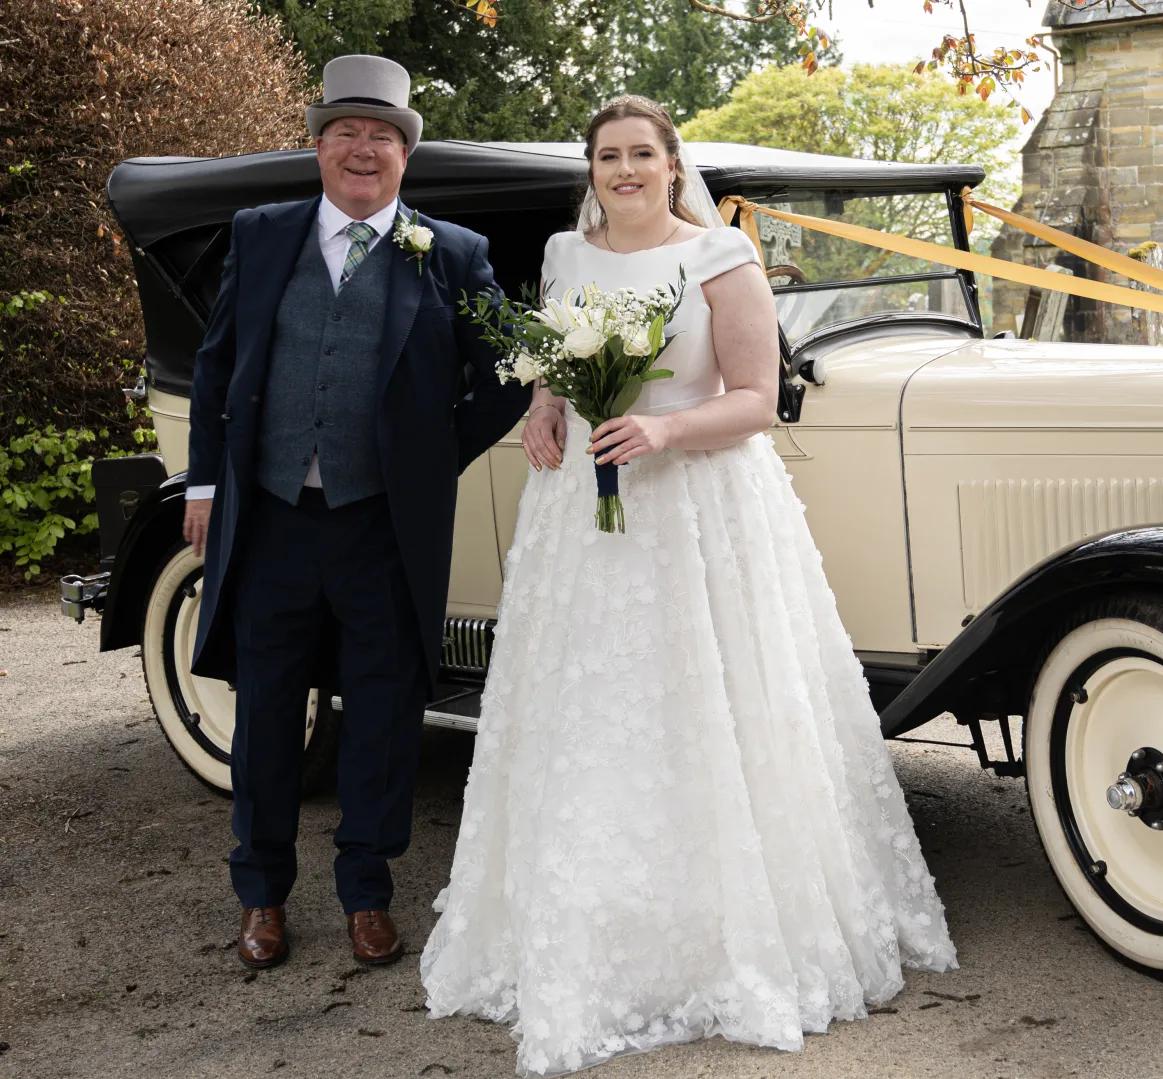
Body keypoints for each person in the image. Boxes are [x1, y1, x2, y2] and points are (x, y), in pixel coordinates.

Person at [419, 96, 956, 1075]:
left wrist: (662, 429)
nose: (625, 170)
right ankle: (589, 928)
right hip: (583, 511)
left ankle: (729, 930)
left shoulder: (721, 259)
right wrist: (544, 406)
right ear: (592, 169)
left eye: (642, 154)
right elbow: (554, 356)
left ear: (673, 165)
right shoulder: (564, 253)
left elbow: (754, 398)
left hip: (700, 512)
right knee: (592, 712)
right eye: (608, 156)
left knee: (704, 705)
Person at [182, 55, 531, 970]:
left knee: (381, 713)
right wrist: (207, 486)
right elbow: (217, 368)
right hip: (269, 521)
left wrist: (425, 459)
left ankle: (366, 894)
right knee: (265, 713)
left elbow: (507, 372)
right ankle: (260, 895)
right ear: (320, 145)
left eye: (382, 136)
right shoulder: (261, 234)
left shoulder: (450, 252)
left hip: (382, 527)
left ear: (405, 155)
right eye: (347, 133)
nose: (364, 150)